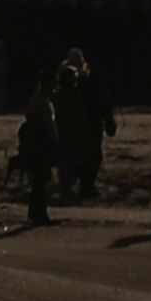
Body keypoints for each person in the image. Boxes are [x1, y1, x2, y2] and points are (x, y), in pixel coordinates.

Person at [64, 48, 117, 199]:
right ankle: (86, 185)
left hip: (83, 123)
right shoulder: (89, 83)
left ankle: (83, 184)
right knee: (91, 156)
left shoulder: (78, 82)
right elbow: (102, 104)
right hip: (89, 123)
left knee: (87, 156)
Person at [18, 72, 58, 225]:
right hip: (41, 143)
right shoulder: (43, 102)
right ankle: (39, 215)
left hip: (34, 143)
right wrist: (55, 142)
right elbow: (49, 126)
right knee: (42, 178)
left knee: (39, 179)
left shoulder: (36, 99)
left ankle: (36, 213)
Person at [51, 62, 87, 202]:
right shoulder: (73, 95)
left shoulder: (58, 95)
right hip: (69, 133)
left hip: (65, 133)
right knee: (68, 162)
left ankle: (66, 187)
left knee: (67, 162)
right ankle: (66, 189)